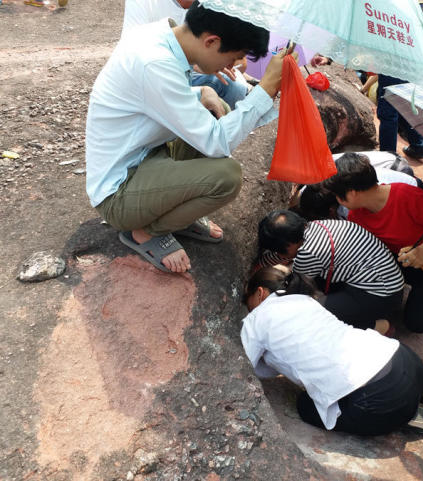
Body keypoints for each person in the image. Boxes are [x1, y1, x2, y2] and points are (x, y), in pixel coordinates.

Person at [86, 1, 288, 273]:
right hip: (119, 192)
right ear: (212, 41)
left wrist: (201, 91)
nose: (231, 66)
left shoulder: (162, 37)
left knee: (219, 110)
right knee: (226, 177)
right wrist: (264, 90)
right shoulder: (155, 62)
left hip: (145, 155)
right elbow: (217, 143)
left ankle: (173, 214)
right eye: (231, 58)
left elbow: (155, 98)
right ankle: (147, 231)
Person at [240, 266, 423, 435]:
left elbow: (247, 368)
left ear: (260, 293)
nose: (248, 309)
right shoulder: (305, 301)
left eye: (247, 301)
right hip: (406, 359)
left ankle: (406, 413)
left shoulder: (255, 320)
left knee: (307, 406)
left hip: (382, 397)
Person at [323, 153, 423, 335]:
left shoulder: (406, 196)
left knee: (417, 324)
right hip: (400, 261)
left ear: (352, 192)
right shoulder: (356, 215)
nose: (339, 202)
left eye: (339, 196)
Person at [257, 210, 405, 334]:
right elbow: (282, 254)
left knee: (314, 314)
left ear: (288, 245)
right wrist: (260, 264)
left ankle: (380, 326)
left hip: (381, 295)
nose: (280, 255)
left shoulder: (308, 252)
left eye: (279, 250)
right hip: (386, 280)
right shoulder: (315, 226)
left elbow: (295, 291)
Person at [121, 0, 250, 110]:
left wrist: (209, 61)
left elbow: (237, 58)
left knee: (236, 87)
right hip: (153, 70)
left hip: (191, 68)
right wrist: (196, 62)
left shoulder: (210, 4)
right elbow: (131, 49)